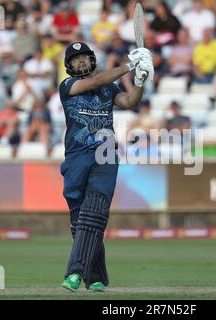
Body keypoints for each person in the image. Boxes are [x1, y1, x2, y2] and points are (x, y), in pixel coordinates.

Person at [59, 42, 153, 292]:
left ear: (92, 60)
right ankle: (96, 277)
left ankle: (75, 273)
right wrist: (130, 65)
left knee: (96, 212)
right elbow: (92, 83)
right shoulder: (68, 87)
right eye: (75, 60)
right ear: (69, 67)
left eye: (84, 58)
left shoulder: (109, 88)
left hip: (105, 155)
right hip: (76, 158)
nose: (80, 63)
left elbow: (131, 101)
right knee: (80, 221)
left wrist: (141, 80)